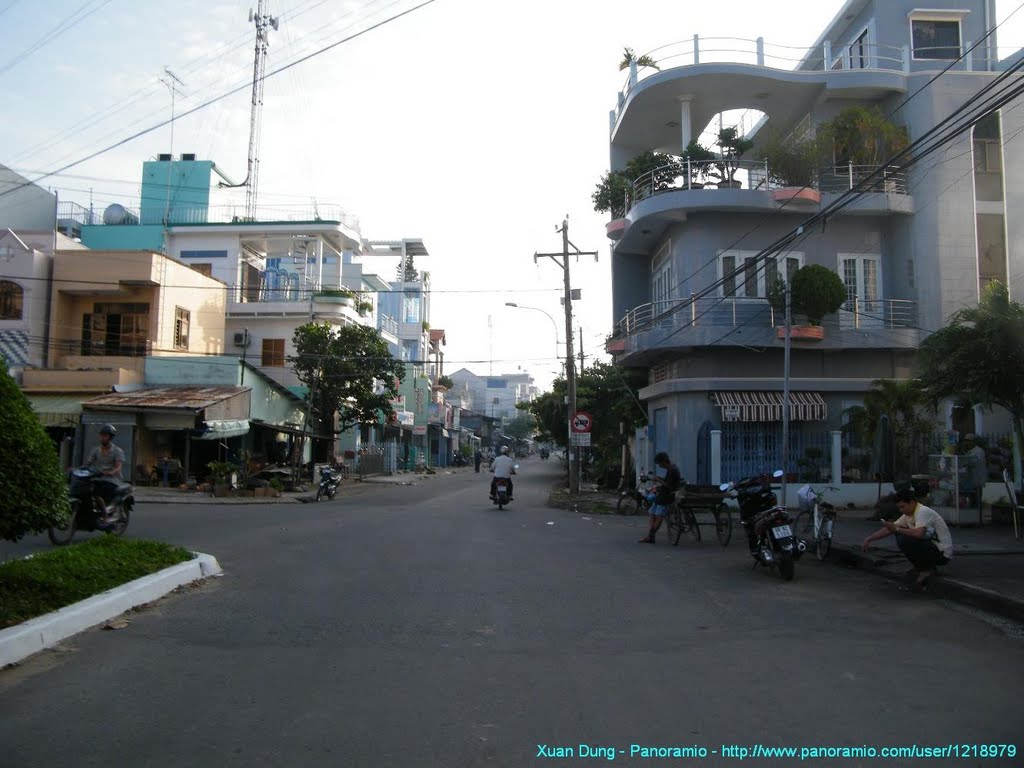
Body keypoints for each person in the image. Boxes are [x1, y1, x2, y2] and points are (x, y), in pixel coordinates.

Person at [862, 487, 953, 591]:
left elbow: (918, 533)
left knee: (905, 538)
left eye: (903, 507)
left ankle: (926, 570)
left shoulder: (923, 512)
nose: (901, 510)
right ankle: (923, 567)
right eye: (899, 508)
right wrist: (870, 538)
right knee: (901, 535)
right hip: (931, 548)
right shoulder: (908, 515)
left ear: (912, 502)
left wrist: (896, 528)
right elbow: (889, 529)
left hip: (942, 553)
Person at [638, 451, 682, 544]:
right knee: (652, 513)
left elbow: (669, 486)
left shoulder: (673, 470)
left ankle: (651, 535)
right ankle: (650, 534)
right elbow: (667, 482)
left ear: (663, 462)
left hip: (667, 496)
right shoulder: (670, 470)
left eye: (659, 463)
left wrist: (659, 480)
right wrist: (659, 480)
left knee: (659, 516)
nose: (659, 466)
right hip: (662, 495)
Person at [84, 424, 125, 520]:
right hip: (99, 478)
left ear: (110, 437)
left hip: (113, 480)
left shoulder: (117, 451)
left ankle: (105, 516)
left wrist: (111, 472)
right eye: (101, 435)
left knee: (97, 493)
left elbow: (118, 467)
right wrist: (78, 469)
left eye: (105, 436)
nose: (102, 438)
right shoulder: (96, 450)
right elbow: (88, 464)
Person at [963, 434, 987, 509]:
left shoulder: (979, 451)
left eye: (969, 441)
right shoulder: (968, 451)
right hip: (970, 478)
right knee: (971, 495)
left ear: (973, 442)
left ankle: (978, 511)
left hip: (978, 476)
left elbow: (975, 462)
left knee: (978, 494)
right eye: (966, 441)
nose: (967, 443)